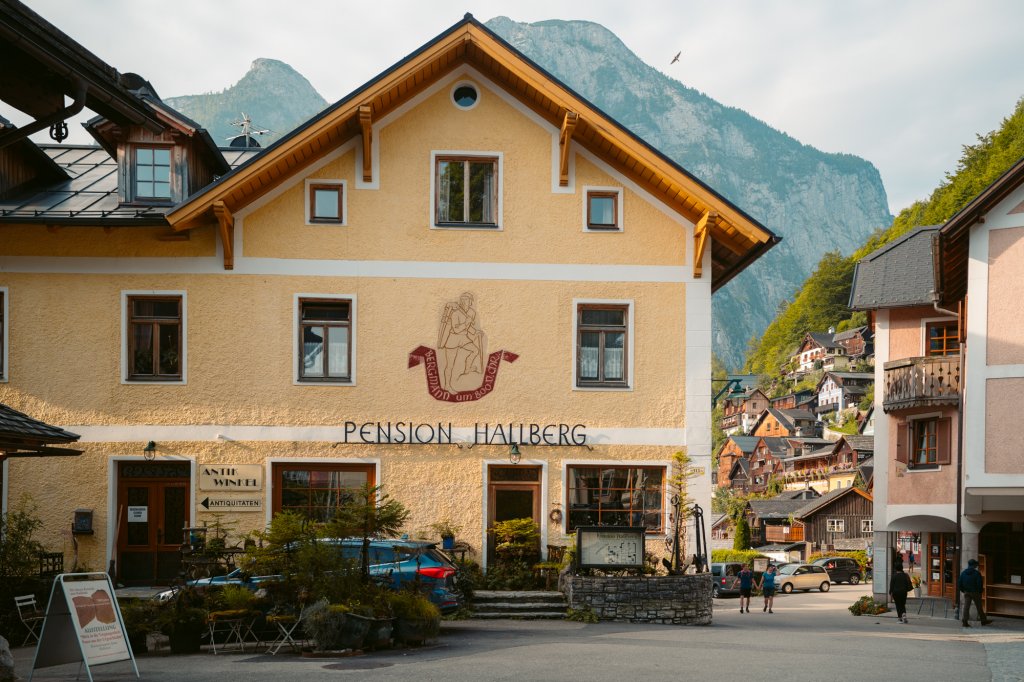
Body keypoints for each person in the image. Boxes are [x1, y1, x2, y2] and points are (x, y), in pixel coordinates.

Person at [957, 558, 992, 627]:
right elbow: (979, 584)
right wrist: (980, 591)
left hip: (967, 592)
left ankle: (964, 621)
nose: (976, 566)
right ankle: (983, 621)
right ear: (973, 565)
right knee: (979, 607)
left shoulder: (963, 573)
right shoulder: (977, 573)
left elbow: (959, 583)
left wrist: (963, 590)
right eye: (975, 564)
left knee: (966, 607)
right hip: (975, 592)